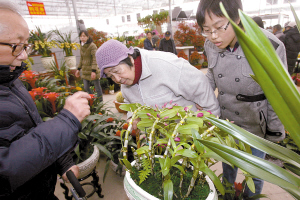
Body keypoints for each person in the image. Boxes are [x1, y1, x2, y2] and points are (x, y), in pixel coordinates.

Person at [0, 1, 91, 199]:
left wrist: (62, 162)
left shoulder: (10, 79)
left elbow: (30, 131)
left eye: (26, 45)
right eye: (16, 45)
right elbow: (4, 171)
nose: (24, 55)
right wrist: (67, 120)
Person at [196, 0, 286, 199]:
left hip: (255, 123)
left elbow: (277, 94)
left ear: (237, 17)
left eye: (219, 27)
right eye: (206, 30)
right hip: (228, 120)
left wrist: (274, 133)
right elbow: (211, 74)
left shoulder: (267, 45)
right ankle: (227, 195)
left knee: (255, 172)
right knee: (228, 166)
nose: (213, 36)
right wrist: (201, 102)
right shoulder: (210, 44)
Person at [95, 39, 220, 128]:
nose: (117, 79)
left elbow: (201, 86)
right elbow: (130, 103)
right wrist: (131, 116)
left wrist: (211, 126)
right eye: (111, 76)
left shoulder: (166, 64)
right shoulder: (125, 80)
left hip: (189, 135)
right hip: (161, 143)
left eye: (116, 71)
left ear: (130, 58)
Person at [75, 30, 103, 101]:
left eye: (84, 36)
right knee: (86, 87)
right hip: (85, 70)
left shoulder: (92, 46)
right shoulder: (81, 46)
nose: (82, 37)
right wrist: (78, 69)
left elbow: (95, 58)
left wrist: (93, 71)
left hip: (93, 70)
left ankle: (100, 102)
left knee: (97, 88)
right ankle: (93, 100)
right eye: (81, 36)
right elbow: (82, 58)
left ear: (87, 37)